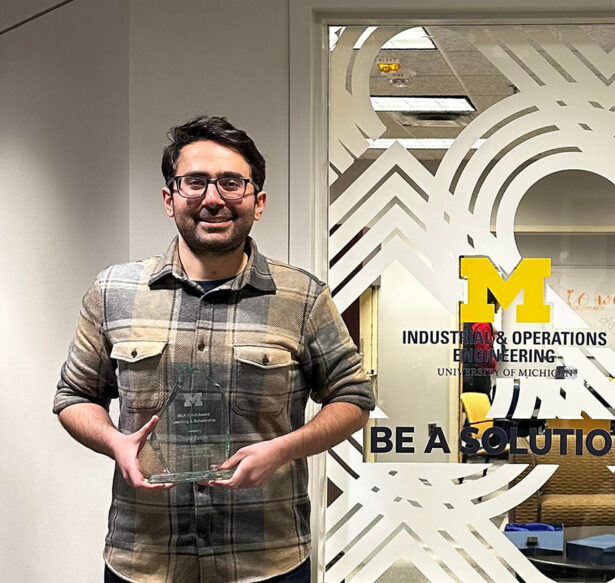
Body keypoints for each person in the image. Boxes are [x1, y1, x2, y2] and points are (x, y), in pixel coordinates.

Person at [53, 116, 374, 583]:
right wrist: (114, 443)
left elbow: (354, 398)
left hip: (266, 559)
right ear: (170, 198)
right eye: (195, 182)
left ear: (257, 202)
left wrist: (282, 450)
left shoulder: (302, 298)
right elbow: (74, 397)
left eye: (231, 183)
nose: (213, 198)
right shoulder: (112, 291)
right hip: (144, 559)